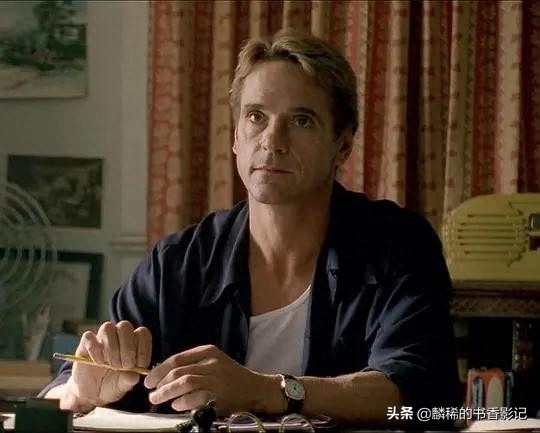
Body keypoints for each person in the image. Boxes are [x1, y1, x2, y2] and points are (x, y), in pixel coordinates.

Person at [42, 29, 461, 427]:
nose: (272, 141)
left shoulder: (398, 244)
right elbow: (59, 394)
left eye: (301, 121)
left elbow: (423, 401)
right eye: (256, 117)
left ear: (343, 145)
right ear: (236, 138)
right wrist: (81, 392)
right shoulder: (179, 262)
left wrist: (267, 391)